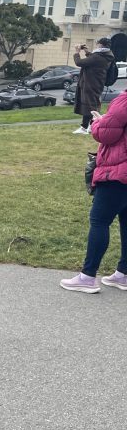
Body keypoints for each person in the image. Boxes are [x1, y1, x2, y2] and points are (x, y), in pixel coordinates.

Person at [61, 89, 127, 293]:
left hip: (117, 172)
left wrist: (97, 122)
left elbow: (106, 134)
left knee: (99, 221)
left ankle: (88, 276)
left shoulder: (123, 101)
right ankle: (123, 273)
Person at [72, 38, 114, 135]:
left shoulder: (98, 57)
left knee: (91, 106)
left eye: (97, 44)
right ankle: (85, 126)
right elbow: (93, 60)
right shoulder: (106, 55)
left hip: (90, 83)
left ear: (101, 45)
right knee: (90, 105)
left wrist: (77, 52)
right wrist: (87, 52)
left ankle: (93, 126)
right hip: (97, 83)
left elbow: (79, 62)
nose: (96, 45)